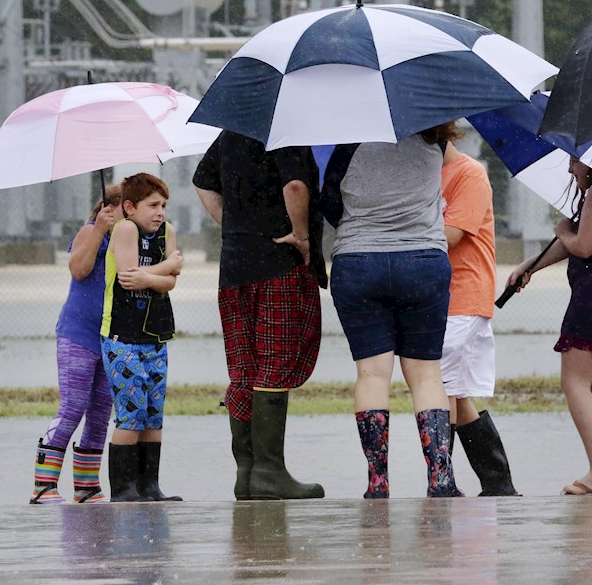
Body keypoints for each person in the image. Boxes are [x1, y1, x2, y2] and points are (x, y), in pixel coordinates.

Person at [322, 122, 463, 498]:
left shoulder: (349, 140)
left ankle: (378, 481)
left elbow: (330, 204)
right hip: (422, 262)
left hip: (358, 262)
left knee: (371, 374)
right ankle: (441, 479)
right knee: (427, 376)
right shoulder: (434, 137)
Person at [193, 131, 327, 501]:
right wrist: (300, 235)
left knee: (243, 365)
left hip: (234, 265)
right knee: (274, 360)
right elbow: (296, 186)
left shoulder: (231, 131)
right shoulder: (286, 128)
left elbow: (202, 182)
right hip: (275, 263)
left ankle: (247, 473)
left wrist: (237, 225)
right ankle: (269, 471)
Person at [507, 157, 592, 495]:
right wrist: (530, 266)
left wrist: (564, 230)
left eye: (574, 161)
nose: (570, 170)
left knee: (574, 383)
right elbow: (578, 243)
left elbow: (582, 245)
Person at [30, 186, 121, 505]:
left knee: (100, 413)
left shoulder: (127, 242)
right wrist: (99, 228)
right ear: (115, 207)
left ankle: (86, 486)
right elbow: (79, 269)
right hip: (78, 334)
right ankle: (43, 485)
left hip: (110, 338)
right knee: (73, 406)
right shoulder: (91, 231)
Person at [440, 136, 518, 496]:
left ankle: (442, 481)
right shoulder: (425, 174)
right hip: (439, 296)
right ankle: (498, 483)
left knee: (439, 390)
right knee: (455, 393)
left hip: (465, 295)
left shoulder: (469, 173)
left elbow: (451, 235)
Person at [101, 172, 183, 502]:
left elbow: (170, 284)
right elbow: (129, 277)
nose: (160, 211)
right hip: (123, 336)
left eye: (163, 204)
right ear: (130, 207)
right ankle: (123, 490)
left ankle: (150, 486)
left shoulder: (168, 232)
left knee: (152, 412)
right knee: (131, 412)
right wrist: (169, 266)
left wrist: (161, 274)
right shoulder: (125, 228)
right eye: (152, 205)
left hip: (155, 334)